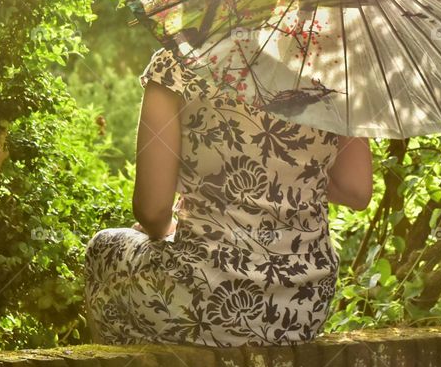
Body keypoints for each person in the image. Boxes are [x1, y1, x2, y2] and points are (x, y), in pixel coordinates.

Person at [84, 47, 373, 346]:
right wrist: (288, 178)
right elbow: (356, 189)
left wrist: (166, 229)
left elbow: (152, 210)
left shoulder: (179, 63)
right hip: (304, 307)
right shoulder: (335, 71)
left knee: (102, 249)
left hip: (205, 296)